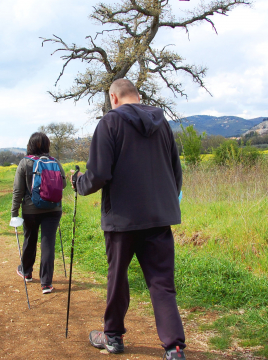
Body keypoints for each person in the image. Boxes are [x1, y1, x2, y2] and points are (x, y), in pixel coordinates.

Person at [71, 79, 185, 359]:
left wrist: (78, 183)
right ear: (136, 95)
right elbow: (175, 172)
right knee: (161, 283)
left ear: (114, 98)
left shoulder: (109, 124)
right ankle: (174, 347)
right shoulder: (162, 124)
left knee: (117, 278)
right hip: (159, 217)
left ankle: (113, 337)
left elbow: (98, 174)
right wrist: (165, 202)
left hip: (121, 220)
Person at [11, 132, 67, 294]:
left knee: (30, 239)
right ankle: (46, 283)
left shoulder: (24, 163)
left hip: (30, 210)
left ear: (30, 145)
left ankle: (26, 272)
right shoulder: (54, 161)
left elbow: (18, 191)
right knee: (48, 243)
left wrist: (14, 213)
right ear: (47, 145)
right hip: (53, 209)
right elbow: (62, 184)